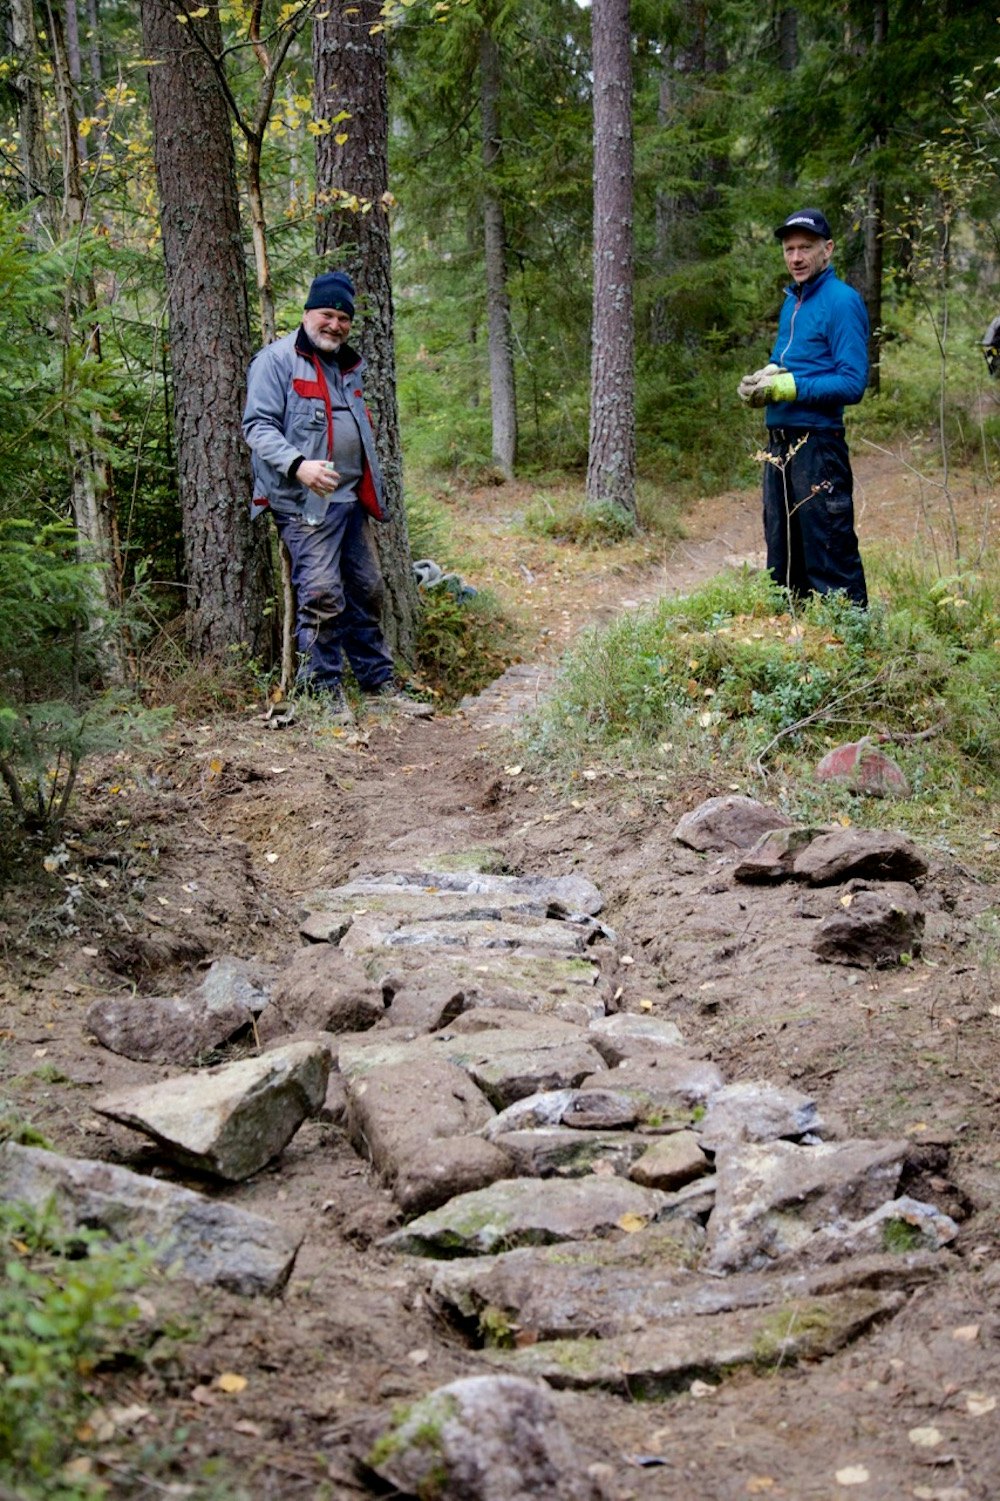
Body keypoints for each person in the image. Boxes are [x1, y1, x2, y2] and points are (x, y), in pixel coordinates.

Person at [243, 269, 418, 721]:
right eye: (327, 314)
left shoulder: (347, 365)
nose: (335, 325)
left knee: (367, 591)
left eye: (343, 318)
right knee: (321, 593)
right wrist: (299, 466)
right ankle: (323, 692)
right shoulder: (276, 360)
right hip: (305, 506)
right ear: (307, 313)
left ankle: (378, 685)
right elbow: (256, 427)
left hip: (351, 503)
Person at [738, 208, 869, 608]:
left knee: (830, 558)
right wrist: (764, 380)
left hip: (818, 448)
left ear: (826, 250)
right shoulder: (791, 302)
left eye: (806, 248)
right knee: (784, 563)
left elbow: (853, 381)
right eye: (789, 248)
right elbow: (788, 362)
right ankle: (794, 653)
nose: (796, 257)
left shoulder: (842, 301)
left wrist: (790, 386)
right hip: (779, 447)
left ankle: (853, 652)